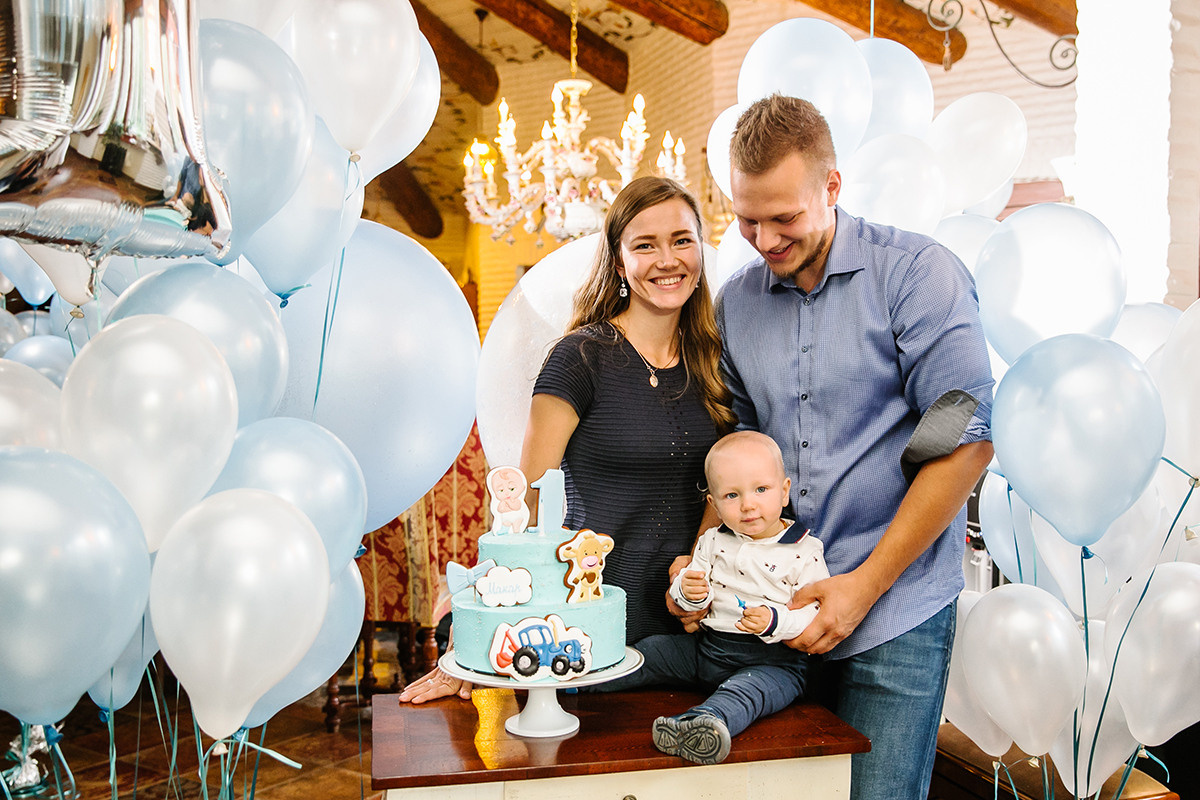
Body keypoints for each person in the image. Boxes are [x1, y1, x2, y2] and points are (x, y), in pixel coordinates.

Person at [712, 94, 994, 799]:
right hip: (774, 616)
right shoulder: (736, 304)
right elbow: (740, 453)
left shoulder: (916, 275)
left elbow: (964, 442)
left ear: (831, 188)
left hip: (892, 612)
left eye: (784, 218)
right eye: (748, 219)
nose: (765, 239)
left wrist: (861, 588)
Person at [399, 175, 736, 704]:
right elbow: (524, 504)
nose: (667, 259)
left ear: (700, 249)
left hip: (685, 636)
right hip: (579, 635)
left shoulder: (716, 363)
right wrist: (471, 640)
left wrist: (695, 572)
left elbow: (723, 489)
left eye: (681, 240)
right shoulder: (580, 358)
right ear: (620, 263)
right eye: (644, 245)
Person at [597, 430, 828, 765]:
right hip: (709, 650)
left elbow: (814, 612)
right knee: (651, 651)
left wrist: (776, 621)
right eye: (732, 495)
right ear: (714, 504)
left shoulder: (803, 549)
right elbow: (689, 596)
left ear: (784, 492)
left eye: (761, 490)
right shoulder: (712, 540)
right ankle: (582, 681)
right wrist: (686, 592)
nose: (748, 505)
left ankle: (700, 725)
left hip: (772, 662)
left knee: (744, 693)